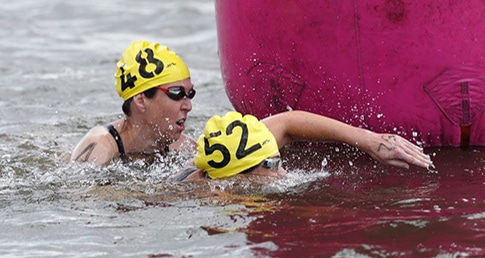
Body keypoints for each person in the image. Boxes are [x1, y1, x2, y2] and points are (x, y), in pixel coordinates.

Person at [171, 111, 434, 181]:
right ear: (238, 178)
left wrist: (369, 140)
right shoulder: (209, 193)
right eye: (273, 165)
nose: (283, 171)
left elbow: (288, 121)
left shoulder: (239, 154)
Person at [68, 40, 197, 166]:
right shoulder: (100, 146)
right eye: (177, 94)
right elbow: (75, 187)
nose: (188, 106)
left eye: (190, 94)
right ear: (141, 101)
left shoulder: (186, 149)